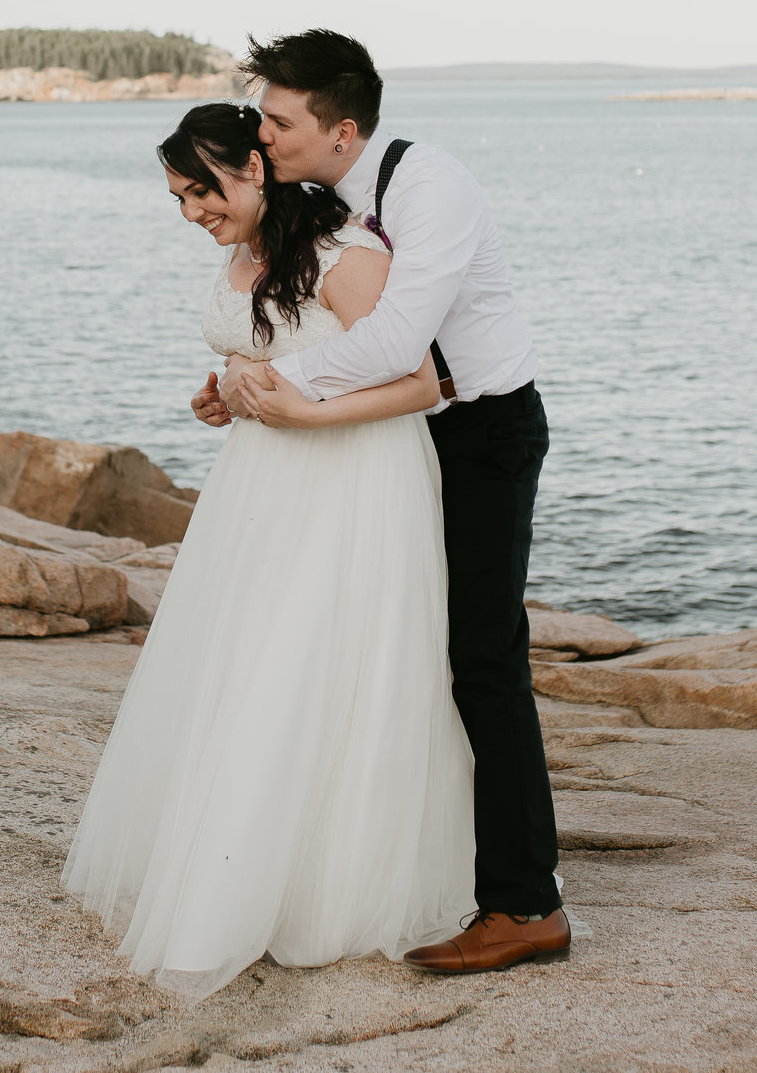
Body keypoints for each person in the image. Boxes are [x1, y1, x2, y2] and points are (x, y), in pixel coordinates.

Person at [61, 101, 476, 999]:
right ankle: (237, 864)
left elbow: (424, 381)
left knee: (316, 664)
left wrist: (304, 409)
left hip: (354, 480)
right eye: (177, 199)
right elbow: (271, 354)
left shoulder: (349, 257)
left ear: (253, 168)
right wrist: (228, 399)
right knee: (246, 661)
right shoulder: (242, 255)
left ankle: (320, 891)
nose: (190, 214)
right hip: (261, 484)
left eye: (199, 192)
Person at [217, 28, 569, 975]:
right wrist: (242, 381)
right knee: (397, 645)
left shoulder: (429, 186)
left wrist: (282, 383)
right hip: (399, 435)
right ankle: (429, 867)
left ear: (342, 130)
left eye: (279, 119)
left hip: (483, 434)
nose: (263, 131)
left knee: (483, 656)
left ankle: (527, 902)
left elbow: (398, 342)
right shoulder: (319, 200)